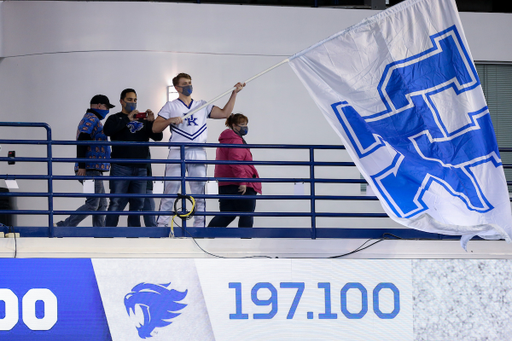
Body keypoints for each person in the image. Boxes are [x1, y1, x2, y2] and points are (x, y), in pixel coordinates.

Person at [152, 73, 245, 228]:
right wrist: (170, 120)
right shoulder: (171, 106)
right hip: (177, 151)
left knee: (199, 191)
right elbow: (155, 128)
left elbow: (224, 113)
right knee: (170, 189)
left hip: (198, 151)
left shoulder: (202, 105)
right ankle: (162, 226)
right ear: (177, 87)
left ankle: (199, 227)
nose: (188, 85)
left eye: (190, 82)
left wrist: (234, 93)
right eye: (185, 83)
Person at [103, 88, 165, 227]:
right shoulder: (115, 118)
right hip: (120, 167)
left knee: (138, 204)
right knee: (116, 203)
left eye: (135, 100)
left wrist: (152, 122)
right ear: (121, 101)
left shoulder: (143, 120)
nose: (133, 102)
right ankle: (107, 236)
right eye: (129, 99)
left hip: (141, 168)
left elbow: (158, 137)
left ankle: (133, 237)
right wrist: (127, 119)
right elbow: (107, 131)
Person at [56, 94, 114, 227]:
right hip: (89, 169)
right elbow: (82, 140)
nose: (107, 110)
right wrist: (82, 166)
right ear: (99, 105)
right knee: (93, 203)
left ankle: (99, 233)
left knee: (101, 204)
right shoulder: (90, 119)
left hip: (93, 169)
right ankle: (65, 226)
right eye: (106, 107)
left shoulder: (92, 119)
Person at [208, 113, 261, 227]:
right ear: (234, 125)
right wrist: (243, 182)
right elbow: (236, 162)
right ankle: (245, 241)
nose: (245, 127)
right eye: (242, 124)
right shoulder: (235, 140)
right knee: (246, 215)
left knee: (227, 214)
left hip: (226, 183)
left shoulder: (225, 140)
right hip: (241, 184)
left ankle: (207, 236)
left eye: (246, 124)